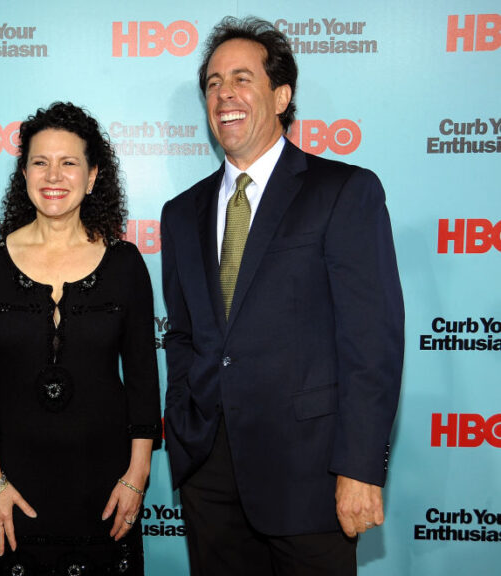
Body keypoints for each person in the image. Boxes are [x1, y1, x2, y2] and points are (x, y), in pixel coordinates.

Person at [160, 17, 404, 576]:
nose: (225, 93)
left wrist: (361, 468)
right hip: (209, 475)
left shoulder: (344, 191)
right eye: (214, 82)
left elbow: (373, 342)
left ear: (282, 94)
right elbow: (182, 333)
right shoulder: (181, 213)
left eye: (242, 78)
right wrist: (184, 425)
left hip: (311, 476)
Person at [0, 102, 162, 576]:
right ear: (24, 172)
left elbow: (142, 381)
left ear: (93, 176)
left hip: (107, 490)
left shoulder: (126, 264)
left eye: (69, 162)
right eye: (40, 161)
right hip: (13, 489)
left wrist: (136, 479)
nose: (54, 175)